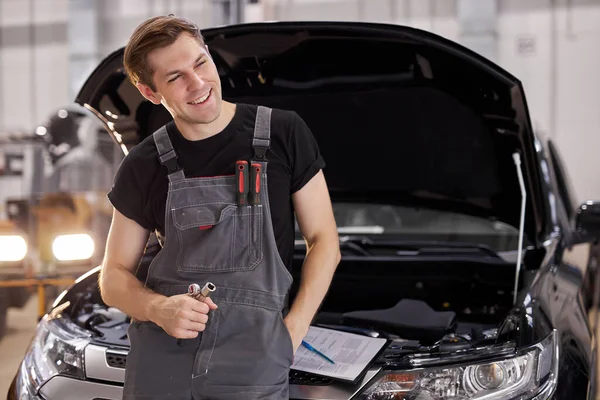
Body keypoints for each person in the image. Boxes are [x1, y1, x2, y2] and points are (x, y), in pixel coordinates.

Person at [98, 15, 341, 400]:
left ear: (210, 55)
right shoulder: (144, 164)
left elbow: (324, 240)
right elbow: (112, 277)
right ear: (149, 92)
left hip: (256, 361)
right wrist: (158, 308)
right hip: (162, 367)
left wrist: (291, 333)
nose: (198, 84)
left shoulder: (283, 134)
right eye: (175, 77)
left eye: (200, 63)